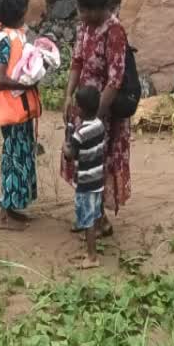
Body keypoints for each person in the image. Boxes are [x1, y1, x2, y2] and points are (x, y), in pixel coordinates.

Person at [61, 0, 132, 236]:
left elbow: (115, 79)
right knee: (83, 160)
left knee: (100, 162)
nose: (81, 15)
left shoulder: (114, 31)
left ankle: (98, 219)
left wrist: (96, 118)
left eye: (84, 10)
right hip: (85, 105)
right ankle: (88, 215)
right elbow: (77, 63)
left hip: (104, 109)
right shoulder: (85, 28)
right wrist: (69, 96)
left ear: (97, 8)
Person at [0, 0, 42, 231]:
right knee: (14, 157)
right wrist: (26, 83)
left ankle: (13, 207)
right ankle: (6, 211)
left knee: (21, 154)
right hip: (11, 106)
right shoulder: (3, 39)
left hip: (18, 107)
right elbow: (2, 78)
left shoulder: (13, 34)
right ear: (18, 14)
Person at [64, 86, 108, 268]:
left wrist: (67, 141)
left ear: (80, 109)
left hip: (85, 183)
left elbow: (70, 154)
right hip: (97, 180)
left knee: (87, 220)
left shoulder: (79, 134)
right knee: (94, 214)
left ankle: (92, 257)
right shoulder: (99, 125)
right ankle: (91, 251)